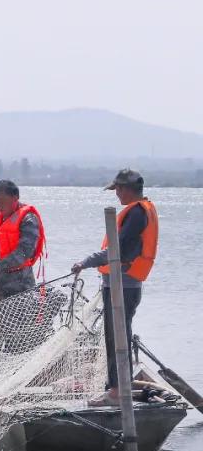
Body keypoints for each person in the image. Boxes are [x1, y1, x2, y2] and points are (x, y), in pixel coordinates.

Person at [71, 169, 158, 407]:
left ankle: (118, 391)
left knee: (117, 337)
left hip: (124, 285)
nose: (116, 194)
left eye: (118, 189)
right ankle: (119, 387)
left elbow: (118, 250)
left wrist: (85, 262)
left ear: (128, 189)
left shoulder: (138, 213)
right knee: (116, 336)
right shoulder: (138, 210)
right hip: (123, 284)